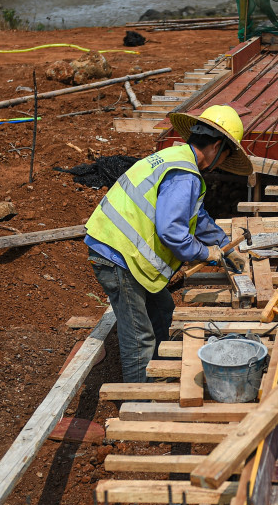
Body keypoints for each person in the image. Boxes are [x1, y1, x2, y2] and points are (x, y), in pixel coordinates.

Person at [84, 105, 251, 382]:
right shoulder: (185, 175)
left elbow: (197, 216)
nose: (221, 163)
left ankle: (159, 370)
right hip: (117, 255)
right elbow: (172, 232)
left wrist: (224, 244)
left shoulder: (176, 158)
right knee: (139, 336)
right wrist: (205, 253)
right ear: (217, 146)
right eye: (225, 157)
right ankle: (138, 402)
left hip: (121, 250)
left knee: (161, 309)